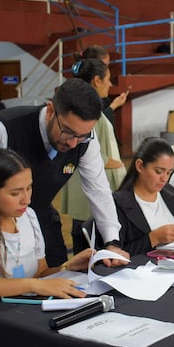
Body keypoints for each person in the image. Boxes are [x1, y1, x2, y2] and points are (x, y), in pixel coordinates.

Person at [0, 78, 129, 268]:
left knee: (60, 276)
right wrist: (5, 225)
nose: (73, 143)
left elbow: (99, 191)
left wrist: (112, 242)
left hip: (42, 220)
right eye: (68, 132)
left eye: (81, 136)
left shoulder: (85, 139)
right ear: (50, 111)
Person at [0, 149, 91, 311]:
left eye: (29, 188)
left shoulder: (28, 217)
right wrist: (32, 285)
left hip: (17, 313)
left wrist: (66, 267)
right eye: (15, 193)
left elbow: (39, 273)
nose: (26, 199)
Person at [61, 59, 127, 254]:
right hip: (90, 184)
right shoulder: (88, 113)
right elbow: (100, 156)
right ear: (97, 80)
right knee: (87, 236)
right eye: (108, 79)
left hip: (87, 184)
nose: (111, 84)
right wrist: (119, 166)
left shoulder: (89, 109)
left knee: (83, 229)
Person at [76, 45, 130, 129]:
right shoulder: (83, 103)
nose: (110, 84)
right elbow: (97, 125)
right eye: (104, 65)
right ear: (97, 80)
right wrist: (113, 106)